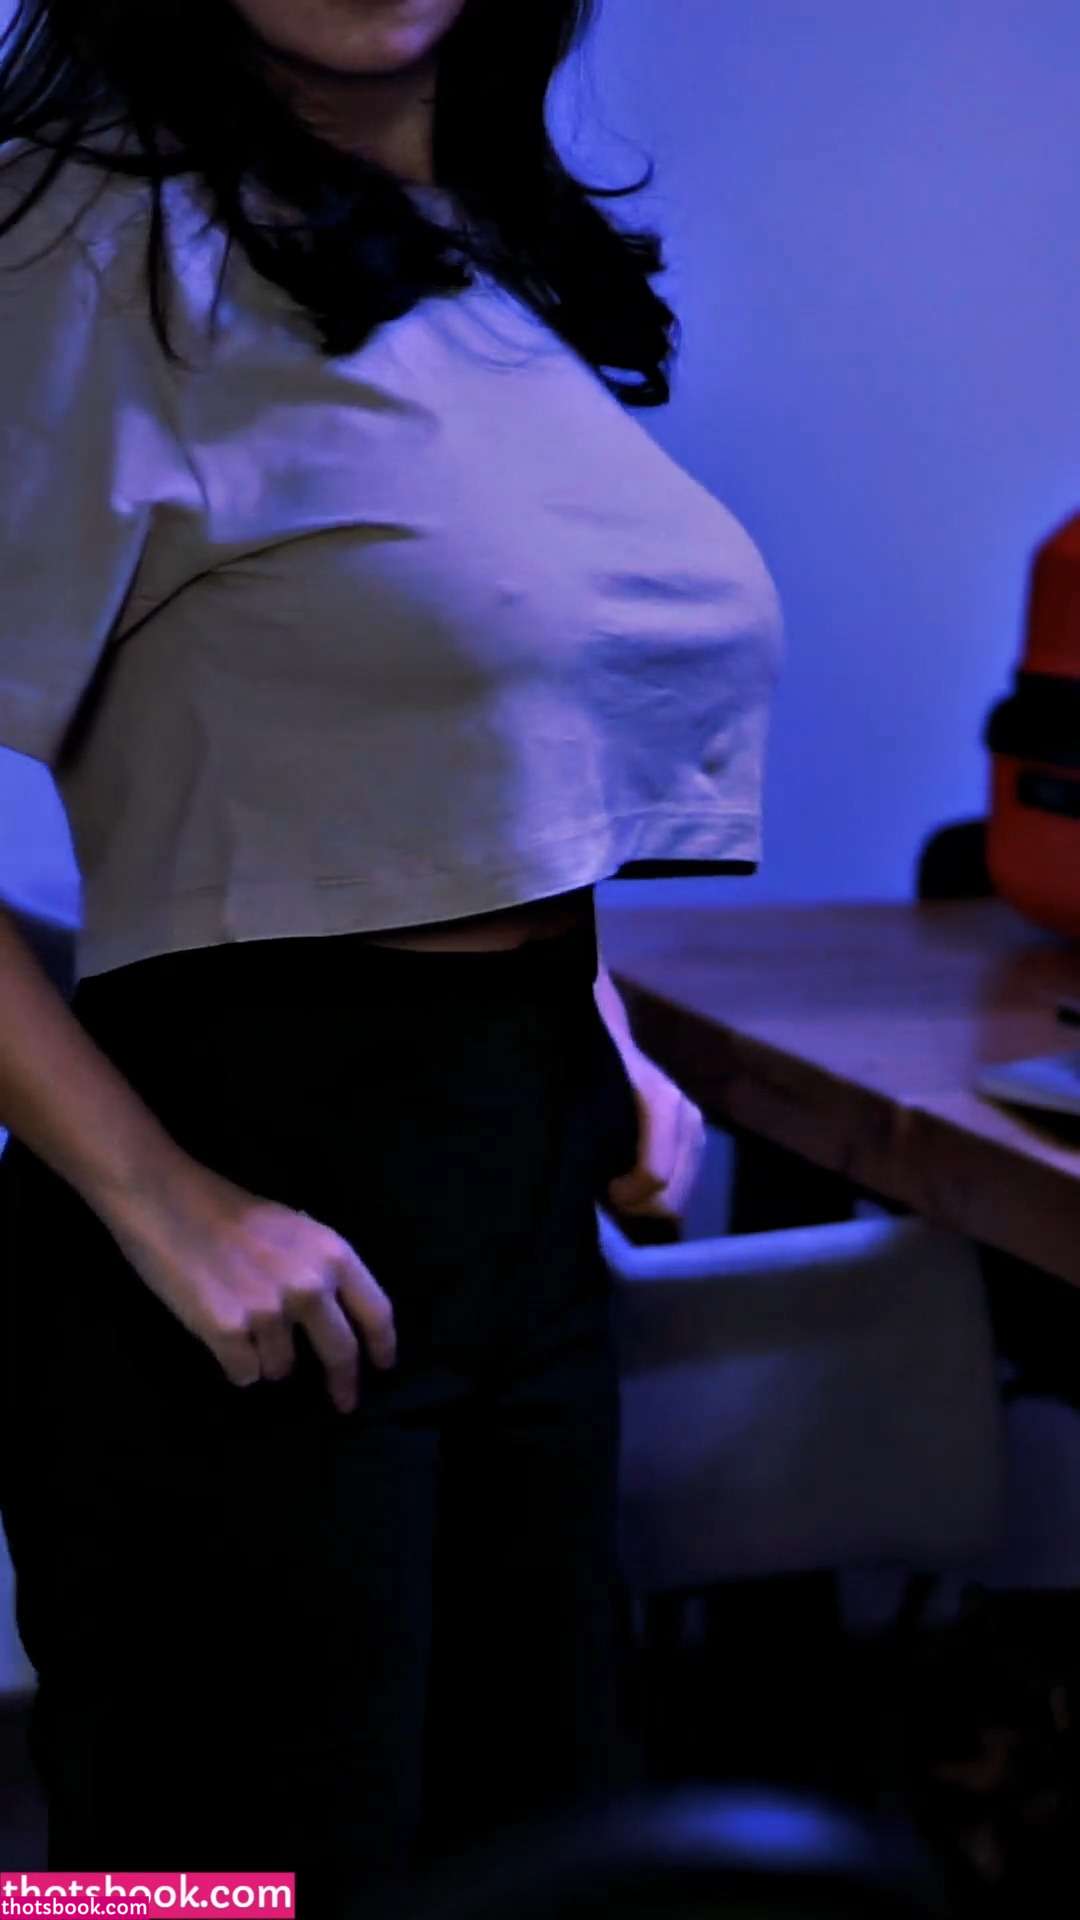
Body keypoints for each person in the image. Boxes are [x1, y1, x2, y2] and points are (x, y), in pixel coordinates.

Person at [0, 0, 785, 1912]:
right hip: (256, 1209)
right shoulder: (85, 232)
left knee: (530, 1872)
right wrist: (164, 1200)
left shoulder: (481, 253)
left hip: (517, 1200)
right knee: (205, 1893)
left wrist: (590, 1029)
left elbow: (443, 740)